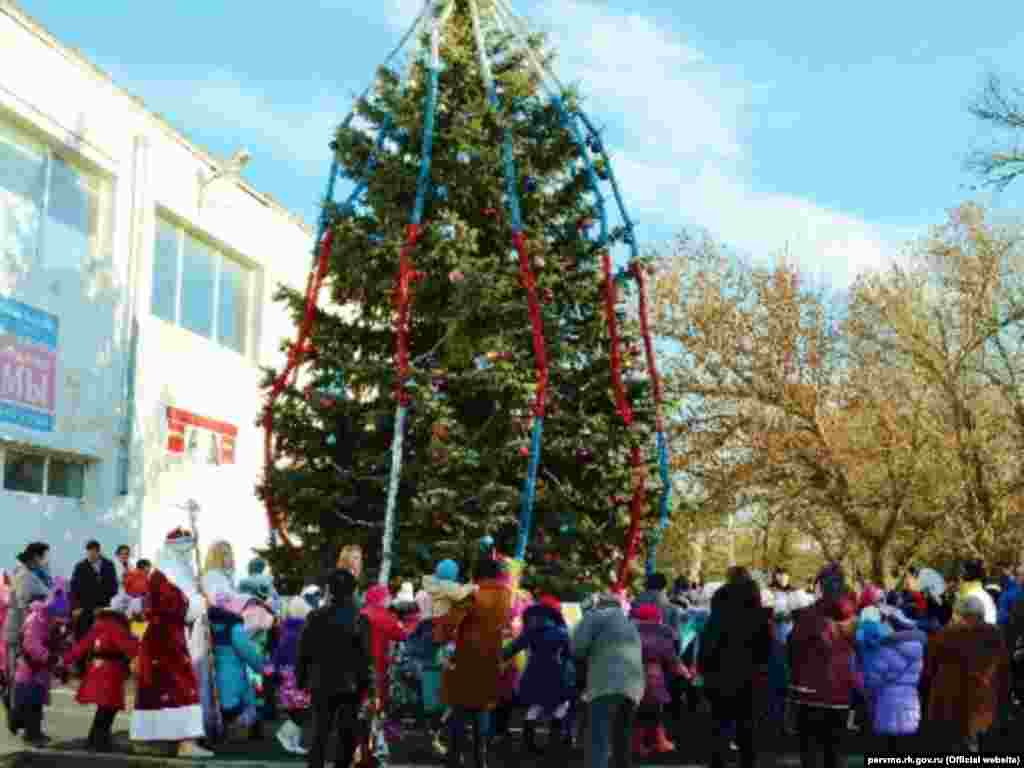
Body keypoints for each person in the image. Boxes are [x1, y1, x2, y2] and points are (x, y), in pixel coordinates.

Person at [129, 528, 212, 758]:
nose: (188, 554)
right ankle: (186, 741)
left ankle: (147, 737)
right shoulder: (168, 574)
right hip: (169, 638)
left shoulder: (164, 572)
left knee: (154, 689)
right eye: (186, 549)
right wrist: (199, 602)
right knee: (181, 687)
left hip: (161, 637)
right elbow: (177, 606)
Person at [434, 556, 514, 768]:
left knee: (460, 709)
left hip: (467, 660)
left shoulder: (473, 594)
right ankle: (481, 759)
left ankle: (455, 756)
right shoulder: (506, 595)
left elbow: (449, 624)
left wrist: (442, 634)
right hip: (491, 660)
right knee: (482, 709)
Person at [296, 568, 371, 768]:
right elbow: (364, 656)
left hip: (321, 681)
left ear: (329, 590)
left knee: (320, 732)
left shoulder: (315, 617)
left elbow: (304, 651)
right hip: (350, 684)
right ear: (352, 591)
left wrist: (301, 678)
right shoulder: (359, 619)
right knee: (346, 734)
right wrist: (365, 684)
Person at [700, 569, 772, 768]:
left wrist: (704, 669)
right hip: (750, 675)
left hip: (719, 673)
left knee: (719, 725)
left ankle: (717, 762)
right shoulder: (758, 614)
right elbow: (766, 648)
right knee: (747, 727)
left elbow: (708, 643)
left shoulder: (719, 608)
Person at [788, 563, 858, 768]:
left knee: (809, 752)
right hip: (840, 694)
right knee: (834, 753)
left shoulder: (808, 616)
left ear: (821, 586)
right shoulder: (853, 618)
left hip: (809, 694)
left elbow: (793, 649)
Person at [920, 595, 1009, 754]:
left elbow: (929, 667)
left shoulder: (945, 634)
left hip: (950, 699)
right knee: (976, 739)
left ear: (961, 613)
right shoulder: (995, 634)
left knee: (953, 743)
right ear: (981, 613)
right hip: (981, 697)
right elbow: (1003, 668)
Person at [572, 591, 644, 768]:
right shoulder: (630, 623)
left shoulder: (593, 617)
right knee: (622, 738)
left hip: (605, 685)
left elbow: (577, 648)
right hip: (634, 687)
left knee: (599, 737)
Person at [501, 594, 574, 755]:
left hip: (533, 674)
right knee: (561, 707)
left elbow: (511, 649)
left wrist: (497, 656)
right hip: (556, 674)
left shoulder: (530, 631)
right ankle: (554, 744)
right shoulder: (562, 632)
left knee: (534, 707)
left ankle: (528, 745)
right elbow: (570, 655)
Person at [64, 601, 139, 752]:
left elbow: (82, 646)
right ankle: (99, 740)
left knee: (104, 707)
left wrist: (64, 660)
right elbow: (130, 648)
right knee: (108, 708)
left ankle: (95, 739)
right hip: (110, 671)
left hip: (96, 669)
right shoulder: (116, 627)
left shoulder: (98, 625)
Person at [856, 606, 926, 753]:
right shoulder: (918, 649)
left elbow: (873, 680)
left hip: (887, 705)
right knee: (904, 748)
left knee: (887, 748)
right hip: (910, 704)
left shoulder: (887, 650)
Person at [4, 542, 52, 730]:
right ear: (35, 557)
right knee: (23, 681)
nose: (46, 560)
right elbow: (28, 606)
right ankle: (19, 720)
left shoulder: (35, 575)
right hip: (22, 635)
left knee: (27, 681)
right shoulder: (24, 576)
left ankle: (25, 722)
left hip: (30, 633)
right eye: (44, 556)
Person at [12, 591, 66, 745]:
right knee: (29, 703)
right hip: (30, 668)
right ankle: (30, 733)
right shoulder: (35, 619)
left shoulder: (48, 620)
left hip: (39, 669)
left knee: (35, 703)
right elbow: (31, 644)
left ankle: (33, 731)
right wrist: (48, 656)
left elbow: (53, 641)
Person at [629, 601, 681, 757]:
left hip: (631, 672)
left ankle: (638, 743)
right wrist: (681, 670)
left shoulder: (629, 629)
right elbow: (670, 653)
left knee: (638, 709)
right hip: (653, 671)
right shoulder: (662, 631)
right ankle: (658, 742)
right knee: (654, 708)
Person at [273, 597, 312, 755]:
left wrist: (273, 671)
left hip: (287, 675)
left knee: (297, 710)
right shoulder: (304, 631)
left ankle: (294, 742)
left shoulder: (286, 630)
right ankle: (285, 734)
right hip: (299, 675)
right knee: (302, 711)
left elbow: (277, 655)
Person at [70, 540, 118, 644]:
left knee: (105, 638)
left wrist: (106, 604)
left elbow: (113, 586)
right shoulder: (80, 566)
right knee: (83, 637)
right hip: (85, 608)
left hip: (104, 606)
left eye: (93, 553)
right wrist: (75, 607)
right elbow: (74, 588)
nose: (90, 556)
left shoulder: (109, 565)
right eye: (88, 553)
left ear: (98, 552)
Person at [956, 559, 997, 625]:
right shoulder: (978, 593)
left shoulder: (973, 596)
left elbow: (971, 625)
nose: (959, 576)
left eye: (961, 573)